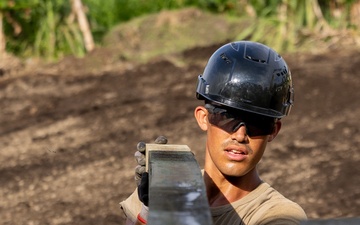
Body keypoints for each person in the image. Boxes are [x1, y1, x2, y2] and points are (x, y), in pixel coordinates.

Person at [120, 41, 307, 225]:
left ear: (273, 131)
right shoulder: (158, 190)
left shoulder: (279, 215)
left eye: (257, 124)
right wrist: (150, 212)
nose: (240, 135)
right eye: (228, 117)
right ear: (203, 118)